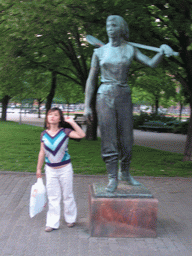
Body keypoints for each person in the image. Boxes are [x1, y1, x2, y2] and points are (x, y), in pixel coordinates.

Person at [84, 15, 174, 193]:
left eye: (114, 25)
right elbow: (91, 80)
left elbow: (151, 63)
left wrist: (161, 51)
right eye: (108, 25)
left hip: (123, 95)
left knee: (127, 138)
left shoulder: (130, 49)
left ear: (121, 28)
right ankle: (112, 176)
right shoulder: (99, 52)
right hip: (104, 95)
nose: (110, 28)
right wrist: (87, 105)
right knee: (108, 137)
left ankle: (124, 172)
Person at [36, 107, 85, 232]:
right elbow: (42, 153)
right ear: (47, 118)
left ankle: (70, 219)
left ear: (59, 119)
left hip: (65, 169)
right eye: (50, 114)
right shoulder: (43, 134)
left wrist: (72, 122)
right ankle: (52, 223)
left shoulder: (65, 132)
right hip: (50, 170)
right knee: (53, 196)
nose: (52, 116)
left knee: (67, 195)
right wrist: (38, 169)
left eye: (55, 115)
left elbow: (81, 135)